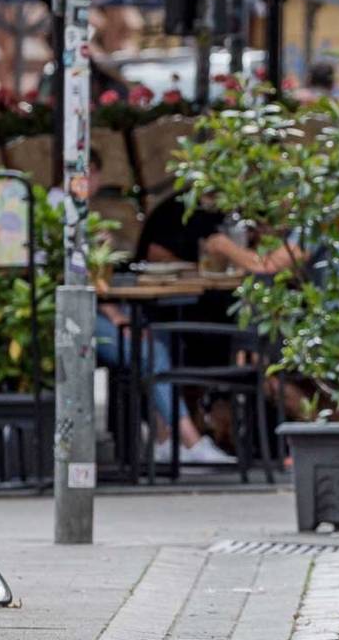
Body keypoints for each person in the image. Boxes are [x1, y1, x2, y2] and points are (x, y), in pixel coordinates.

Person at [88, 153, 234, 466]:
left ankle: (167, 436)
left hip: (102, 310)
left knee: (156, 341)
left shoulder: (84, 213)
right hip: (82, 315)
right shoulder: (68, 213)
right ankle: (189, 441)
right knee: (149, 349)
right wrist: (113, 312)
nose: (92, 182)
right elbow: (78, 278)